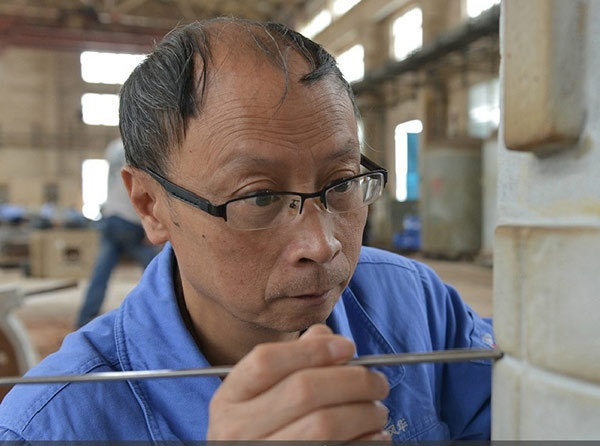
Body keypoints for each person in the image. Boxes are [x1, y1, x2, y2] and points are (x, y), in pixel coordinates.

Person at [0, 18, 495, 442]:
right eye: (259, 197)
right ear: (150, 205)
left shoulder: (416, 306)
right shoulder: (51, 425)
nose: (323, 246)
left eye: (342, 183)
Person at [76, 138, 159, 327]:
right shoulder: (141, 144)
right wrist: (150, 226)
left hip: (110, 217)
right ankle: (160, 319)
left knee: (101, 273)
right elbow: (146, 188)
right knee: (158, 270)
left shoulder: (113, 147)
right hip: (130, 221)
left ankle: (83, 320)